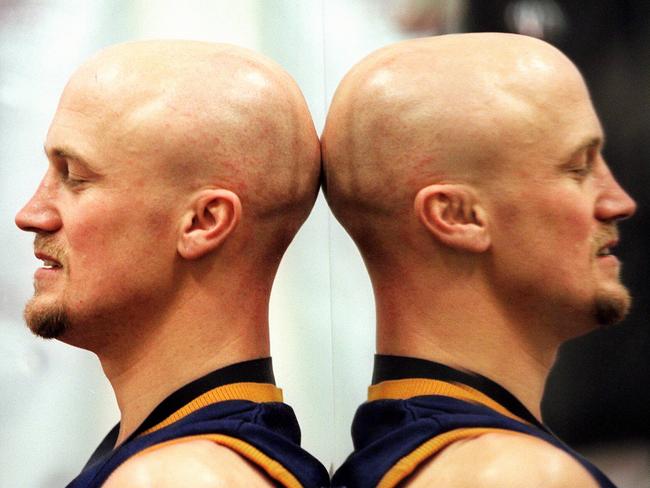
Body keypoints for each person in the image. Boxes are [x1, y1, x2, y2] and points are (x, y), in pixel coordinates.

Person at [322, 33, 635, 488]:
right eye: (579, 168)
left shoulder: (403, 459)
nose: (618, 202)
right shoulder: (513, 475)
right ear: (457, 215)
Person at [15, 40, 328, 488]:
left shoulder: (179, 477)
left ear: (203, 222)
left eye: (75, 177)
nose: (31, 213)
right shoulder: (178, 458)